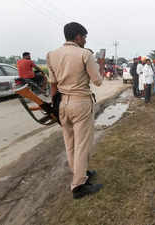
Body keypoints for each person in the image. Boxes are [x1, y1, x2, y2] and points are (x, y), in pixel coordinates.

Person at [46, 22, 104, 199]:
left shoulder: (51, 55)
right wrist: (99, 64)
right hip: (80, 102)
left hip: (62, 102)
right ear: (77, 36)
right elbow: (98, 81)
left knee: (70, 143)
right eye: (84, 37)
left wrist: (54, 106)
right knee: (81, 145)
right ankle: (79, 185)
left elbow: (53, 84)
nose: (85, 40)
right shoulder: (85, 54)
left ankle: (80, 174)